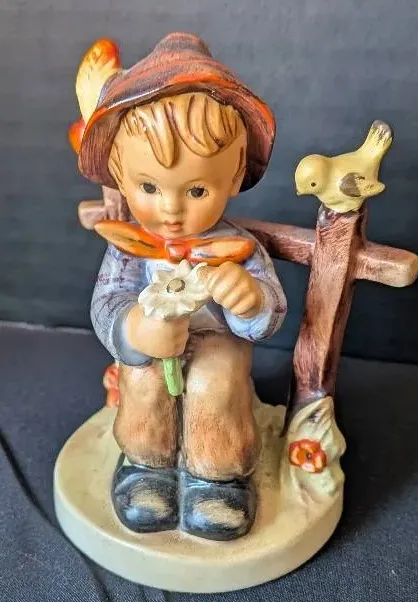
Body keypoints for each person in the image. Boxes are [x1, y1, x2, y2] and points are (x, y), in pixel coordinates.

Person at [72, 32, 287, 541]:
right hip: (151, 346)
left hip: (216, 343)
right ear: (121, 176)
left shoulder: (237, 248)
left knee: (215, 382)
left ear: (233, 176)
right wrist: (135, 329)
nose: (170, 209)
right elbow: (106, 302)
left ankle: (217, 476)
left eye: (196, 189)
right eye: (149, 187)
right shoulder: (129, 246)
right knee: (143, 380)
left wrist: (249, 300)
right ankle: (147, 466)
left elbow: (271, 313)